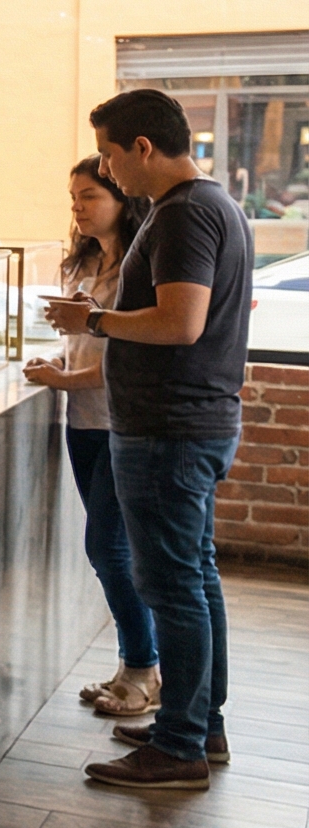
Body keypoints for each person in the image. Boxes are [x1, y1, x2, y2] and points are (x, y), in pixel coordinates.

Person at [49, 89, 252, 790]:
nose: (109, 173)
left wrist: (95, 320)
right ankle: (199, 727)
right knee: (193, 579)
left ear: (141, 147)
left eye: (109, 156)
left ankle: (179, 746)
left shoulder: (185, 214)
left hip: (169, 428)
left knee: (172, 587)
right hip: (189, 422)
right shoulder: (209, 204)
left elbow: (179, 323)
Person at [23, 157, 156, 719]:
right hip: (83, 420)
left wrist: (64, 378)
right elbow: (88, 342)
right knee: (111, 550)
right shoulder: (83, 262)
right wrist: (59, 359)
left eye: (90, 197)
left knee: (109, 549)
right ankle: (135, 666)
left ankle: (144, 669)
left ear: (122, 201)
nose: (77, 207)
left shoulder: (137, 264)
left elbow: (133, 357)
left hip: (119, 420)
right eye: (73, 196)